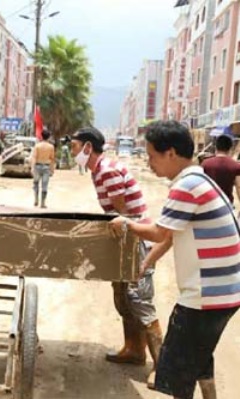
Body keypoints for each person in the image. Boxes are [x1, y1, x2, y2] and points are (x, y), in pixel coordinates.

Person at [109, 120, 240, 399]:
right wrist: (146, 264)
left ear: (171, 153)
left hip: (205, 297)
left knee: (176, 372)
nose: (150, 163)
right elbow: (170, 237)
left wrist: (125, 224)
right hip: (227, 292)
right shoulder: (201, 179)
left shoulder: (186, 186)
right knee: (199, 354)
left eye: (152, 156)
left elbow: (159, 232)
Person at [70, 127, 165, 388]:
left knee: (138, 298)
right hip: (127, 239)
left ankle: (163, 367)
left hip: (136, 241)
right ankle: (134, 350)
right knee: (123, 297)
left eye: (75, 147)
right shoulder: (98, 170)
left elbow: (124, 216)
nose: (72, 152)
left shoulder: (107, 170)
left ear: (88, 147)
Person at [201, 133, 240, 205]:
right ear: (230, 148)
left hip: (208, 204)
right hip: (226, 205)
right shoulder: (236, 166)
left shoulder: (205, 164)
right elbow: (239, 187)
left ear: (216, 147)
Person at [30, 129, 55, 207]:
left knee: (36, 183)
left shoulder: (37, 146)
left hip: (37, 166)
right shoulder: (51, 147)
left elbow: (34, 157)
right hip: (46, 167)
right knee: (45, 185)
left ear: (42, 136)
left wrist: (32, 167)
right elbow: (52, 159)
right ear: (49, 137)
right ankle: (43, 203)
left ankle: (36, 199)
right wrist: (52, 169)